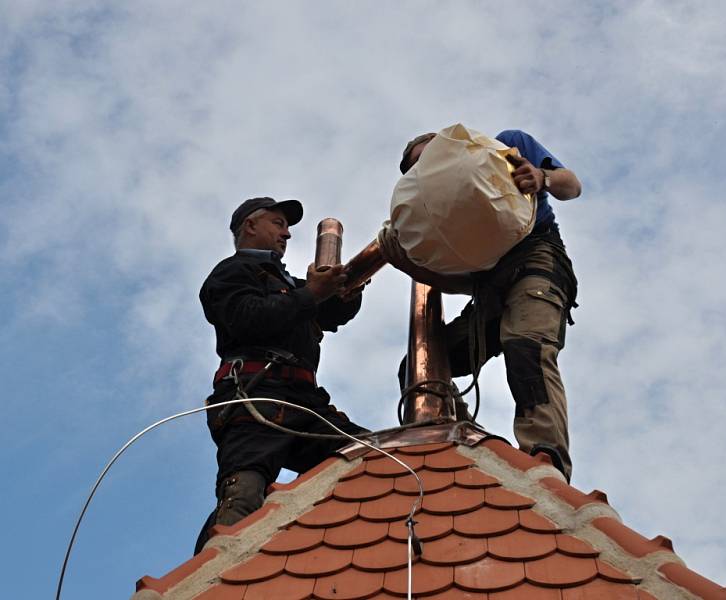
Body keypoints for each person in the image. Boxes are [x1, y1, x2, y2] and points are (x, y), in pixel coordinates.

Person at [381, 130, 582, 481]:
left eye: (430, 156)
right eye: (417, 167)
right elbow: (465, 282)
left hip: (536, 259)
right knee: (420, 366)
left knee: (526, 344)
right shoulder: (445, 217)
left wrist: (540, 177)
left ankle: (544, 459)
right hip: (490, 289)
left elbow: (571, 186)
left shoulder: (505, 147)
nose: (426, 167)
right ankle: (470, 454)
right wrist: (409, 263)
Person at [195, 196, 367, 553]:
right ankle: (210, 579)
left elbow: (327, 318)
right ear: (250, 226)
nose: (286, 233)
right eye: (278, 223)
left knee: (372, 458)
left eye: (287, 227)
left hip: (304, 402)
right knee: (242, 495)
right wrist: (312, 293)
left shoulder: (286, 282)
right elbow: (249, 318)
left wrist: (344, 293)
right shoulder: (232, 272)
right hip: (256, 397)